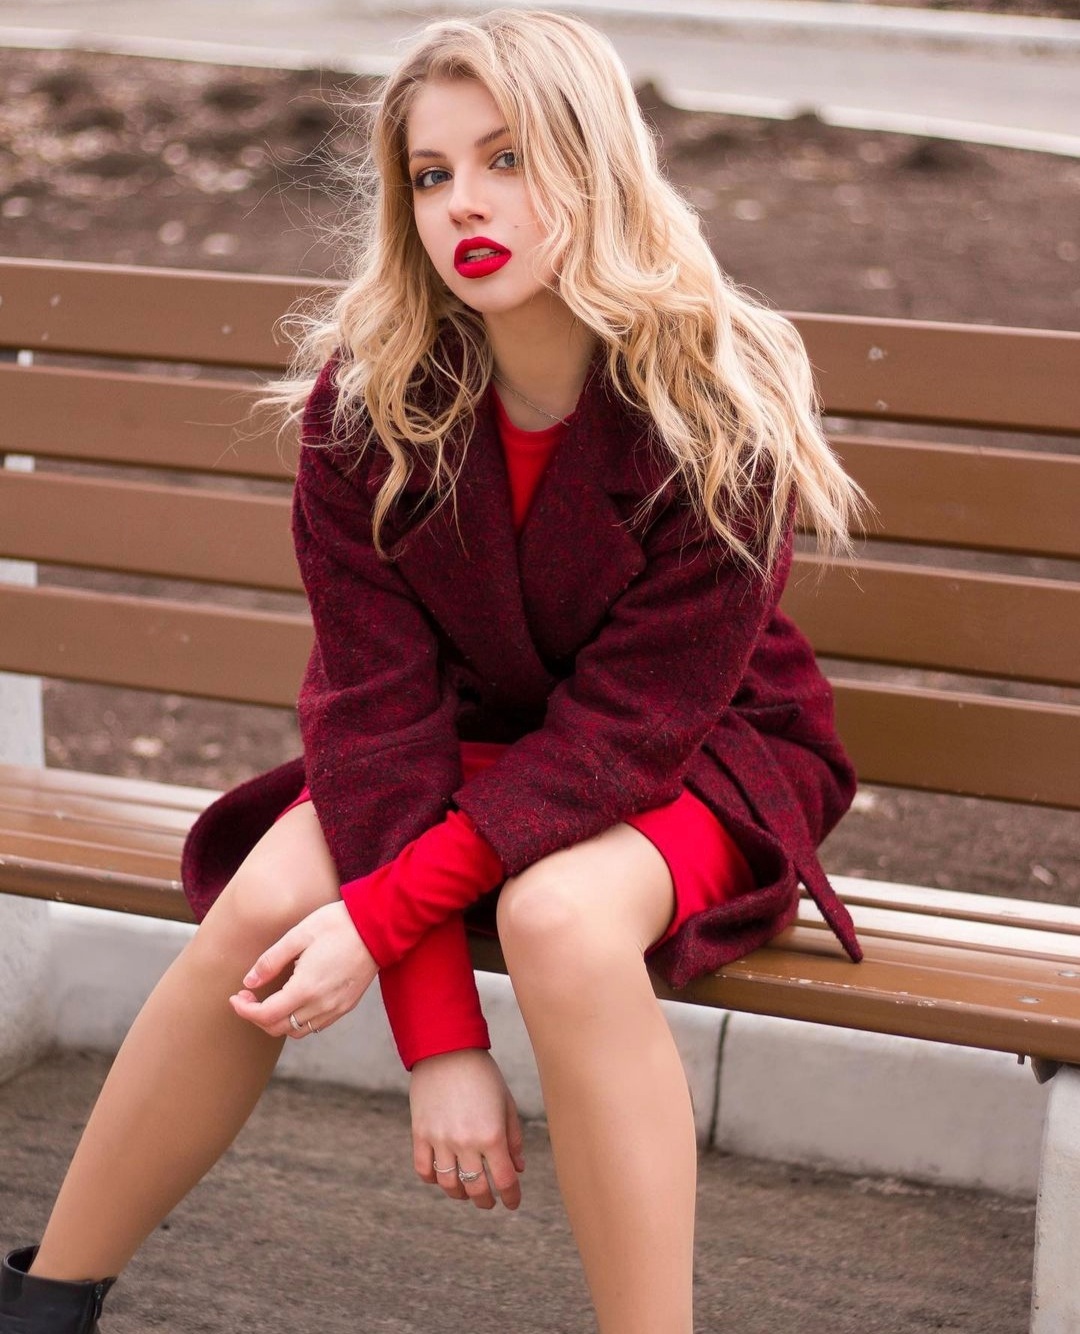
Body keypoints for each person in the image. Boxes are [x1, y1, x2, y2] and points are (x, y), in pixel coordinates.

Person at [0, 9, 865, 1332]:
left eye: (508, 159)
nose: (466, 202)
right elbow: (373, 715)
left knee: (560, 921)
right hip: (465, 743)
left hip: (695, 752)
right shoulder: (373, 409)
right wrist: (439, 1036)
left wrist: (378, 921)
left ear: (592, 163)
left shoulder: (713, 411)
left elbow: (627, 733)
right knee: (264, 903)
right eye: (432, 172)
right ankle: (47, 1305)